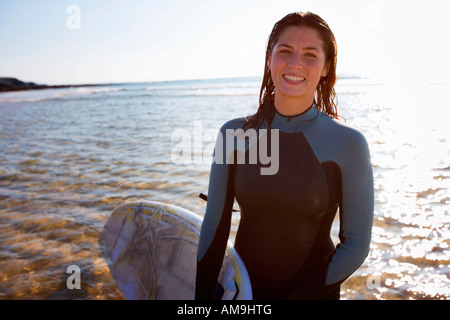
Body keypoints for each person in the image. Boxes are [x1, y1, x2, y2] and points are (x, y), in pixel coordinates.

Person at [195, 12, 374, 300]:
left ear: (326, 67)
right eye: (285, 51)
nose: (295, 64)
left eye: (310, 55)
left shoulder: (349, 143)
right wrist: (201, 300)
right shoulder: (232, 134)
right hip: (243, 292)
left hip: (314, 294)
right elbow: (215, 224)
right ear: (269, 58)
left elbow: (355, 245)